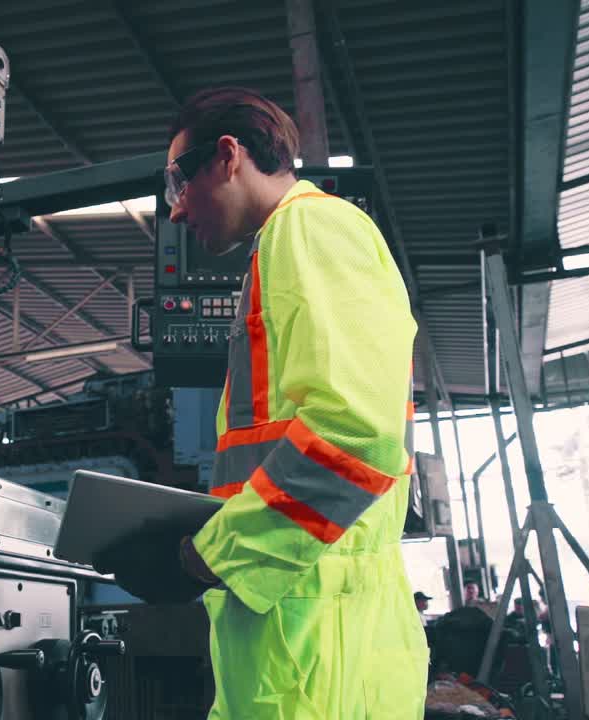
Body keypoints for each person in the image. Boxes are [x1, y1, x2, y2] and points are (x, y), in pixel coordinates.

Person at [94, 87, 427, 719]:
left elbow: (353, 434)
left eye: (177, 183)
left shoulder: (313, 228)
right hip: (303, 633)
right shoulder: (290, 243)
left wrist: (200, 560)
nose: (176, 211)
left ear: (227, 156)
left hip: (315, 652)